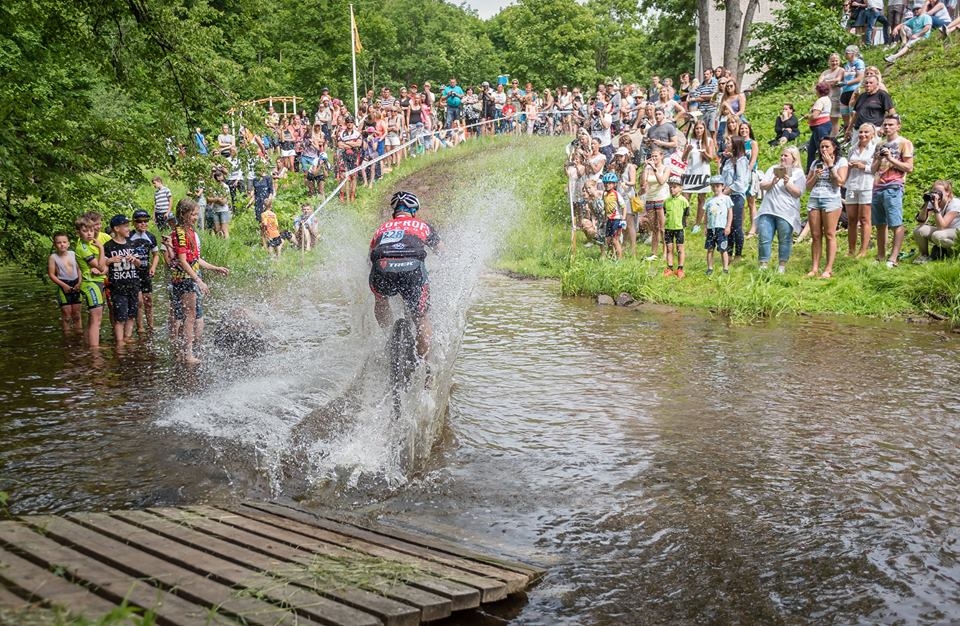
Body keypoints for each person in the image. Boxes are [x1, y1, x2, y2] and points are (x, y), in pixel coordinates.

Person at [368, 191, 443, 361]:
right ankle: (427, 368)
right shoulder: (422, 225)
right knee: (421, 317)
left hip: (382, 268)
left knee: (380, 298)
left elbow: (369, 258)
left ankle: (388, 335)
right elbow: (442, 252)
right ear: (414, 212)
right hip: (413, 270)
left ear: (394, 213)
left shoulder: (381, 229)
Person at [169, 198, 229, 364]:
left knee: (186, 316)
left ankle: (181, 352)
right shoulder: (180, 233)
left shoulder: (189, 231)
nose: (196, 217)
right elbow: (182, 260)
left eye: (196, 214)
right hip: (185, 279)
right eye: (193, 214)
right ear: (183, 214)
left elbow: (195, 260)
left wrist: (215, 268)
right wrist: (198, 281)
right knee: (189, 316)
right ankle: (187, 354)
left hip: (186, 278)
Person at [872, 114, 914, 267]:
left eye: (891, 125)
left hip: (894, 185)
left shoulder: (904, 143)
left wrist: (890, 158)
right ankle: (880, 256)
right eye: (885, 125)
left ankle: (893, 258)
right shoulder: (880, 144)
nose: (887, 127)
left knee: (895, 223)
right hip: (877, 186)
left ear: (898, 126)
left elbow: (909, 168)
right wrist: (877, 158)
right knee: (880, 224)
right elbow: (872, 169)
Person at [757, 147, 806, 273]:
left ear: (793, 159)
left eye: (786, 156)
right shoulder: (773, 169)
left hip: (786, 212)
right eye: (782, 155)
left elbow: (798, 193)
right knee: (764, 237)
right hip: (768, 209)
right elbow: (762, 185)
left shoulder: (798, 173)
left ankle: (782, 266)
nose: (783, 158)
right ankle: (763, 264)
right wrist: (773, 182)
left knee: (784, 239)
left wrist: (788, 184)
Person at [805, 136, 849, 278]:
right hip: (815, 199)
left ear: (834, 147)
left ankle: (828, 269)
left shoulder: (841, 162)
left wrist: (830, 166)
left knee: (830, 234)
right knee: (816, 235)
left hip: (831, 200)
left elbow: (840, 182)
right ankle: (814, 268)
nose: (824, 149)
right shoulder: (815, 163)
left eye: (827, 146)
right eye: (822, 147)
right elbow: (807, 186)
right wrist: (815, 177)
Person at [103, 214, 142, 345]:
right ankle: (119, 342)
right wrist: (110, 260)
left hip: (133, 284)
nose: (128, 228)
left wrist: (135, 260)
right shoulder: (108, 246)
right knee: (120, 317)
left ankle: (128, 337)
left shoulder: (132, 244)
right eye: (125, 226)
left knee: (132, 314)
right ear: (116, 228)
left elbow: (140, 264)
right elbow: (101, 266)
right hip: (117, 287)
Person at [845, 123, 878, 257]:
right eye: (861, 132)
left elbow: (877, 169)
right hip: (852, 185)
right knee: (851, 219)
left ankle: (863, 250)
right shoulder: (852, 149)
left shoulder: (875, 149)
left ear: (872, 134)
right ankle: (851, 249)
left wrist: (862, 166)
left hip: (866, 186)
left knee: (864, 218)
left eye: (866, 132)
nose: (863, 135)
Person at [74, 216, 106, 346]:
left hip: (98, 282)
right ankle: (95, 351)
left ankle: (89, 344)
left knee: (95, 318)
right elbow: (100, 266)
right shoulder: (83, 248)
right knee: (96, 319)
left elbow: (103, 268)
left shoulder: (89, 245)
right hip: (90, 284)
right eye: (85, 231)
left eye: (91, 231)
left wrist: (103, 268)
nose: (89, 234)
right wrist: (101, 248)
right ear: (78, 232)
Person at [913, 180, 959, 262]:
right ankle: (924, 255)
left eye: (938, 192)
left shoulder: (955, 204)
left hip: (957, 232)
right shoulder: (934, 202)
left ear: (947, 192)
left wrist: (936, 208)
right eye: (934, 191)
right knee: (919, 231)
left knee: (937, 235)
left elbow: (942, 226)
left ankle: (955, 253)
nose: (936, 194)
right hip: (945, 232)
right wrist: (926, 203)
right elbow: (921, 221)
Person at [682, 119, 715, 234]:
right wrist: (687, 150)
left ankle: (697, 224)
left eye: (701, 128)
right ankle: (683, 221)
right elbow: (683, 159)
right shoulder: (690, 140)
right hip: (690, 172)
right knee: (685, 198)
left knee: (701, 199)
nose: (699, 130)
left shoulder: (709, 141)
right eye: (697, 128)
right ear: (694, 130)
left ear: (704, 129)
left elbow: (711, 158)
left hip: (703, 171)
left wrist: (704, 153)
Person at [129, 210, 159, 335]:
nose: (143, 224)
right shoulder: (129, 236)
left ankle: (151, 326)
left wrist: (153, 267)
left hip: (146, 271)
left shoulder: (151, 237)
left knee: (148, 300)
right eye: (140, 222)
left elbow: (156, 254)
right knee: (139, 301)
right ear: (134, 223)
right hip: (133, 273)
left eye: (146, 221)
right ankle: (140, 327)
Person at [720, 137, 750, 261]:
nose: (726, 144)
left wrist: (727, 191)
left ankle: (738, 254)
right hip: (726, 196)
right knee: (728, 226)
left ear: (735, 145)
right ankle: (729, 252)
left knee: (736, 226)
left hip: (736, 196)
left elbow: (740, 182)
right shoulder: (728, 161)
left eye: (729, 143)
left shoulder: (742, 161)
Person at [48, 232, 82, 334]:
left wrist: (80, 282)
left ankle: (78, 335)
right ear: (55, 245)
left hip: (76, 283)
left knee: (77, 314)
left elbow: (79, 269)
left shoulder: (73, 254)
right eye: (59, 243)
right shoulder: (53, 257)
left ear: (68, 243)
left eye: (64, 242)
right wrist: (63, 285)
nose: (62, 244)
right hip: (63, 284)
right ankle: (67, 336)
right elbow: (51, 274)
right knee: (66, 314)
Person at [641, 147, 670, 261]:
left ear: (661, 156)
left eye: (656, 156)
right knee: (654, 228)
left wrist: (654, 169)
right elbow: (643, 184)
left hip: (661, 198)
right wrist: (645, 168)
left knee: (662, 228)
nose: (653, 158)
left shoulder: (665, 168)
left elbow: (661, 181)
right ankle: (654, 252)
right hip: (650, 199)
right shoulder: (648, 169)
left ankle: (665, 252)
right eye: (652, 156)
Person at [846, 75, 895, 139]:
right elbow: (856, 114)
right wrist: (849, 129)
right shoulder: (862, 96)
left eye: (871, 83)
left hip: (874, 129)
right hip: (858, 129)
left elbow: (892, 113)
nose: (868, 85)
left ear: (877, 84)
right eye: (866, 83)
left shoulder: (882, 95)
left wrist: (883, 127)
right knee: (855, 148)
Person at [703, 176, 734, 275]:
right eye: (713, 186)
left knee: (723, 249)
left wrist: (728, 226)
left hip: (721, 228)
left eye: (717, 186)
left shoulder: (726, 199)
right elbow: (706, 214)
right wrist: (705, 226)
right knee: (710, 249)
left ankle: (725, 268)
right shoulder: (709, 200)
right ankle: (710, 268)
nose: (715, 188)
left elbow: (730, 213)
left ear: (722, 186)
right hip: (711, 228)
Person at [662, 177, 689, 278]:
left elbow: (686, 214)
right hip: (669, 228)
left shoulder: (684, 201)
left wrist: (682, 224)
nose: (672, 189)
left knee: (680, 248)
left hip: (679, 228)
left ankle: (680, 268)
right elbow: (665, 213)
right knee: (669, 248)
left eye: (674, 187)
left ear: (680, 188)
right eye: (670, 187)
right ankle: (670, 267)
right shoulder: (666, 201)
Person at [806, 82, 833, 172]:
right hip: (822, 126)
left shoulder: (820, 100)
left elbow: (815, 115)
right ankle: (810, 170)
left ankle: (823, 169)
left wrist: (808, 116)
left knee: (822, 149)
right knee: (811, 149)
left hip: (820, 126)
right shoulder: (827, 99)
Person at [600, 172, 626, 260]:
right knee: (608, 240)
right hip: (609, 219)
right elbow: (605, 207)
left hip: (617, 219)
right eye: (606, 183)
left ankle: (620, 259)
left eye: (610, 183)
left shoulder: (616, 194)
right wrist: (604, 219)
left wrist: (623, 219)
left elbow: (624, 206)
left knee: (615, 240)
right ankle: (611, 256)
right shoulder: (604, 194)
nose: (607, 185)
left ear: (614, 184)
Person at [839, 45, 865, 134]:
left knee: (853, 113)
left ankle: (856, 133)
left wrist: (846, 83)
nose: (845, 55)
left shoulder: (859, 62)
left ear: (853, 53)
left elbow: (859, 78)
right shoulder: (847, 64)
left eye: (847, 53)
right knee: (844, 114)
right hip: (844, 91)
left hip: (853, 89)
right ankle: (847, 134)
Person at [819, 54, 845, 135]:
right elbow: (819, 83)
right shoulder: (825, 72)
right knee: (826, 118)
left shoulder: (841, 70)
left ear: (839, 61)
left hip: (836, 97)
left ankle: (834, 138)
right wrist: (830, 83)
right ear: (829, 62)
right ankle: (828, 135)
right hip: (825, 98)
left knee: (834, 119)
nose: (834, 62)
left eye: (836, 60)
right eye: (832, 61)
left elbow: (837, 80)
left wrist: (825, 83)